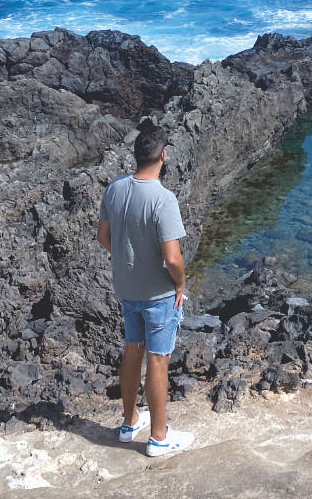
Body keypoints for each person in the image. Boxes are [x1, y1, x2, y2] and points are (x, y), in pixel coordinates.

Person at [97, 120, 195, 456]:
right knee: (158, 360)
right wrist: (181, 283)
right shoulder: (164, 200)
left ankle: (129, 422)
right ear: (163, 156)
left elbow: (103, 237)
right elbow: (172, 257)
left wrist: (128, 259)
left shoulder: (115, 188)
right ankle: (158, 437)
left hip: (127, 289)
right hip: (158, 294)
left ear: (136, 156)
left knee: (132, 350)